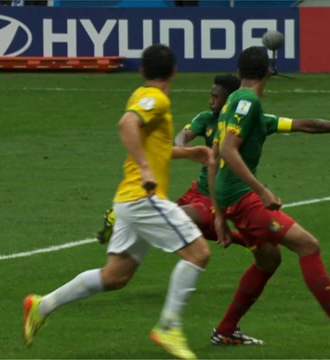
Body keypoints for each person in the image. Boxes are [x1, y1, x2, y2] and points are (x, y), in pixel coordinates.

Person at [23, 44, 213, 360]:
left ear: (142, 70)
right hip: (143, 198)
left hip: (129, 199)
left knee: (115, 277)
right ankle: (169, 325)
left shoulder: (144, 97)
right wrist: (145, 168)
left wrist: (188, 153)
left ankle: (41, 306)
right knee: (199, 253)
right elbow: (127, 124)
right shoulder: (156, 98)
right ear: (175, 71)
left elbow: (150, 143)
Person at [208, 46, 330, 351]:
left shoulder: (239, 103)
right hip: (243, 197)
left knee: (268, 260)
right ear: (268, 71)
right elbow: (227, 151)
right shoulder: (247, 102)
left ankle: (225, 330)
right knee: (308, 245)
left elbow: (307, 125)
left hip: (229, 196)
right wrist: (261, 190)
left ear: (239, 72)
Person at [96, 74, 330, 248]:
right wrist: (189, 149)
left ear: (230, 98)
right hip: (203, 192)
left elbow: (307, 124)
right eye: (210, 95)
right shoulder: (206, 118)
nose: (211, 102)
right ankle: (123, 218)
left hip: (220, 198)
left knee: (194, 231)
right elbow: (182, 137)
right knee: (175, 225)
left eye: (216, 97)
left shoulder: (257, 118)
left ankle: (123, 219)